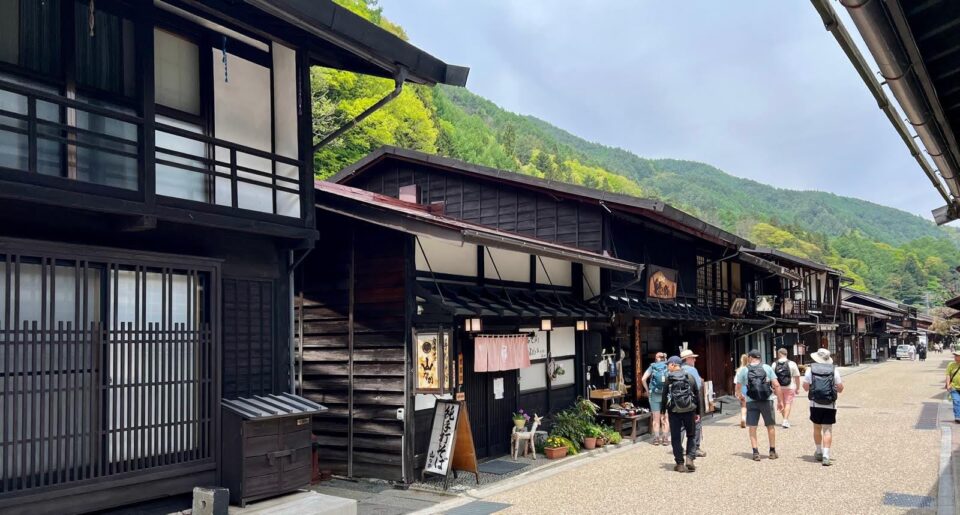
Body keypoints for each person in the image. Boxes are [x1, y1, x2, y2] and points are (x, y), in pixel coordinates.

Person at [735, 349, 782, 461]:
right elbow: (776, 385)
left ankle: (755, 452)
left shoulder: (744, 370)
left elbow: (738, 386)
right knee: (770, 426)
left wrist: (740, 396)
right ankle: (772, 451)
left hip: (751, 401)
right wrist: (780, 401)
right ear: (760, 358)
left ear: (750, 358)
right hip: (767, 399)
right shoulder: (767, 368)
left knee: (752, 427)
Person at [802, 348, 844, 466]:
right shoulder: (834, 370)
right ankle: (826, 455)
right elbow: (840, 388)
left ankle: (819, 451)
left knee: (816, 428)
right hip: (830, 404)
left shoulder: (810, 370)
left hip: (815, 403)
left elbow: (805, 387)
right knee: (827, 430)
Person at [660, 356, 701, 473]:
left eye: (668, 364)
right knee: (691, 435)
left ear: (673, 364)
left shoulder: (669, 379)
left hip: (674, 411)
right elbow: (697, 396)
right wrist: (698, 412)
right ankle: (690, 459)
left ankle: (680, 463)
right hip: (690, 410)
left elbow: (664, 397)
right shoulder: (690, 377)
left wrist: (663, 412)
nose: (668, 367)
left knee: (676, 437)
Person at [679, 349, 706, 458]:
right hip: (691, 402)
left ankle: (679, 448)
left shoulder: (677, 370)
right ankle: (695, 448)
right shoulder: (692, 370)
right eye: (693, 358)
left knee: (681, 426)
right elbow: (698, 386)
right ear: (688, 359)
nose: (695, 360)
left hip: (679, 403)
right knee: (696, 424)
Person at [641, 352, 670, 445]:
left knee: (656, 417)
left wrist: (647, 389)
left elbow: (643, 379)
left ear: (656, 358)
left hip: (654, 395)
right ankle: (665, 438)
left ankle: (656, 438)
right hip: (666, 395)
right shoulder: (668, 366)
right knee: (665, 417)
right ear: (664, 358)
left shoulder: (652, 367)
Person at [773, 348, 802, 428]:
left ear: (779, 354)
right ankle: (785, 420)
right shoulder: (792, 363)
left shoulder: (774, 364)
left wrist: (773, 388)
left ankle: (785, 419)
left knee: (781, 403)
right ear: (786, 354)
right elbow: (797, 376)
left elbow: (772, 378)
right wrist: (798, 387)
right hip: (790, 386)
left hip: (778, 387)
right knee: (788, 403)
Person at [733, 353, 749, 429]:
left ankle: (743, 418)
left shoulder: (739, 370)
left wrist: (736, 391)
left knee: (743, 405)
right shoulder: (750, 369)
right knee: (750, 405)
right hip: (750, 388)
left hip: (741, 388)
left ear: (741, 360)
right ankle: (749, 420)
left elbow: (736, 382)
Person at [945, 350, 960, 424]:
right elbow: (948, 375)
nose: (955, 357)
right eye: (955, 355)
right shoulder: (951, 365)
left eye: (957, 356)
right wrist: (948, 384)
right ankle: (958, 417)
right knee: (956, 401)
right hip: (954, 387)